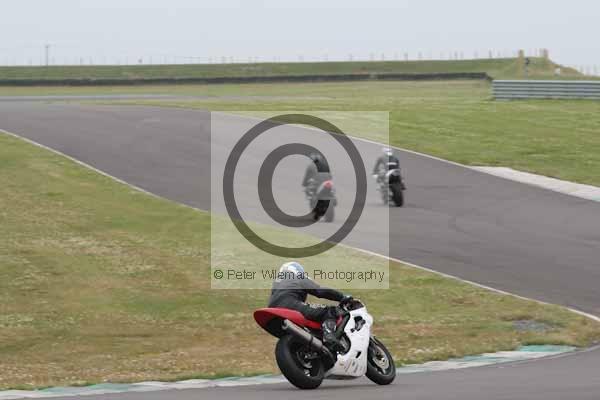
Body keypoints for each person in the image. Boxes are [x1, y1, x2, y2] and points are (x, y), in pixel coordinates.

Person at [268, 262, 352, 350]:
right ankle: (329, 336)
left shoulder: (277, 283)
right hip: (290, 304)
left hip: (272, 311)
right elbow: (319, 291)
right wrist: (341, 297)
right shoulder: (298, 277)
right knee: (329, 311)